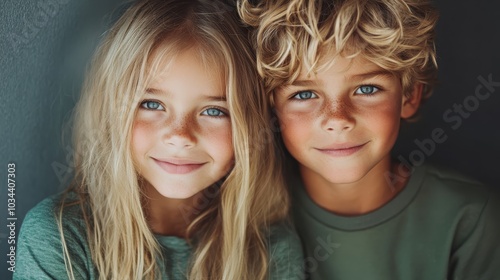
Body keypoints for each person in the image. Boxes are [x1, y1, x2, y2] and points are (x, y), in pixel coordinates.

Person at [14, 0, 304, 279]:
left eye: (214, 111)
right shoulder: (61, 237)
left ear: (250, 125)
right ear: (112, 111)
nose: (180, 136)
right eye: (152, 104)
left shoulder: (270, 248)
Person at [238, 0, 500, 279]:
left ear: (409, 96)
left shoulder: (470, 220)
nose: (337, 119)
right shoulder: (245, 219)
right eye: (304, 95)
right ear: (272, 109)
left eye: (366, 88)